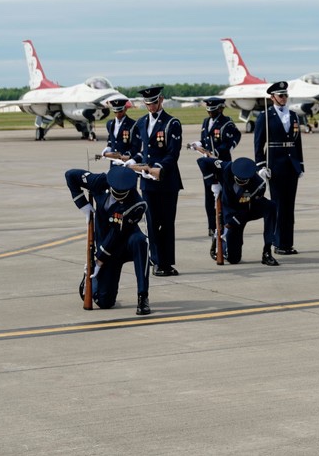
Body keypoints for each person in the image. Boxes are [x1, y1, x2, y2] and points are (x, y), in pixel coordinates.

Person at [65, 166, 151, 315]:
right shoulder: (99, 181)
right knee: (104, 301)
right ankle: (92, 279)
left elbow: (117, 233)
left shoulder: (137, 204)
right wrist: (83, 204)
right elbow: (70, 175)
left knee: (141, 241)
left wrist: (99, 259)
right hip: (107, 242)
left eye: (122, 195)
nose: (118, 197)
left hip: (126, 241)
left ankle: (142, 296)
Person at [131, 86, 184, 276]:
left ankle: (167, 262)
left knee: (166, 223)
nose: (150, 107)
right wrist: (134, 161)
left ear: (160, 100)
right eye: (147, 104)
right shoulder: (141, 122)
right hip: (147, 182)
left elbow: (172, 153)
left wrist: (159, 169)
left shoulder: (172, 123)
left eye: (153, 103)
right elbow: (142, 150)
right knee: (152, 223)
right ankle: (156, 260)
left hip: (167, 181)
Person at [197, 156, 279, 266]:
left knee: (270, 207)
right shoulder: (226, 167)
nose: (241, 183)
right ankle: (219, 241)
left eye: (244, 181)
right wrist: (212, 182)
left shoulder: (258, 184)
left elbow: (249, 206)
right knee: (234, 259)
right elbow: (202, 161)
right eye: (239, 180)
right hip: (231, 211)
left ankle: (267, 251)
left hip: (247, 209)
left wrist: (233, 222)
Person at [254, 81, 305, 255]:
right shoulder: (265, 116)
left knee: (289, 206)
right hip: (274, 165)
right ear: (272, 97)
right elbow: (258, 143)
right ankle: (277, 242)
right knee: (278, 205)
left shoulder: (293, 115)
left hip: (291, 166)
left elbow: (297, 142)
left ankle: (287, 243)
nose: (284, 98)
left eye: (285, 95)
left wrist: (301, 165)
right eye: (280, 95)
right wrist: (260, 165)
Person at [189, 96, 242, 237]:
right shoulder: (206, 122)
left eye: (213, 110)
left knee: (225, 195)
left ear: (220, 109)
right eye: (208, 110)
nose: (210, 113)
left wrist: (218, 152)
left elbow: (232, 139)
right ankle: (211, 226)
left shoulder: (227, 123)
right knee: (209, 195)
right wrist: (198, 145)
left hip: (222, 163)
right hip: (208, 164)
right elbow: (205, 140)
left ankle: (225, 222)